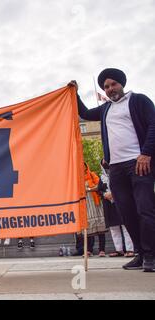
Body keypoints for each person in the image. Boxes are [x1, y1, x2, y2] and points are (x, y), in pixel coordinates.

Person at [70, 68, 155, 272]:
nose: (110, 89)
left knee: (145, 209)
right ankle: (140, 254)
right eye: (106, 87)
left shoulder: (138, 100)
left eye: (113, 84)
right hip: (115, 168)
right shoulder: (106, 109)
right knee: (126, 213)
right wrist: (76, 93)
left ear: (121, 84)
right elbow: (85, 113)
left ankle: (151, 255)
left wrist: (146, 153)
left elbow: (153, 124)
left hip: (138, 163)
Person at [99, 159, 135, 257]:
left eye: (106, 163)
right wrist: (104, 194)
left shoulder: (120, 174)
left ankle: (130, 249)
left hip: (120, 202)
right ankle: (118, 250)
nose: (105, 165)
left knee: (125, 226)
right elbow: (99, 190)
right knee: (114, 228)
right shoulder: (102, 177)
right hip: (109, 205)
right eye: (103, 164)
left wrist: (114, 193)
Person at [84, 162, 107, 257]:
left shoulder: (92, 175)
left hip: (95, 203)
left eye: (83, 166)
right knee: (89, 228)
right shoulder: (77, 178)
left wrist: (88, 189)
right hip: (86, 205)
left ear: (86, 167)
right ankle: (89, 250)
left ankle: (102, 250)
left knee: (100, 226)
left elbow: (99, 187)